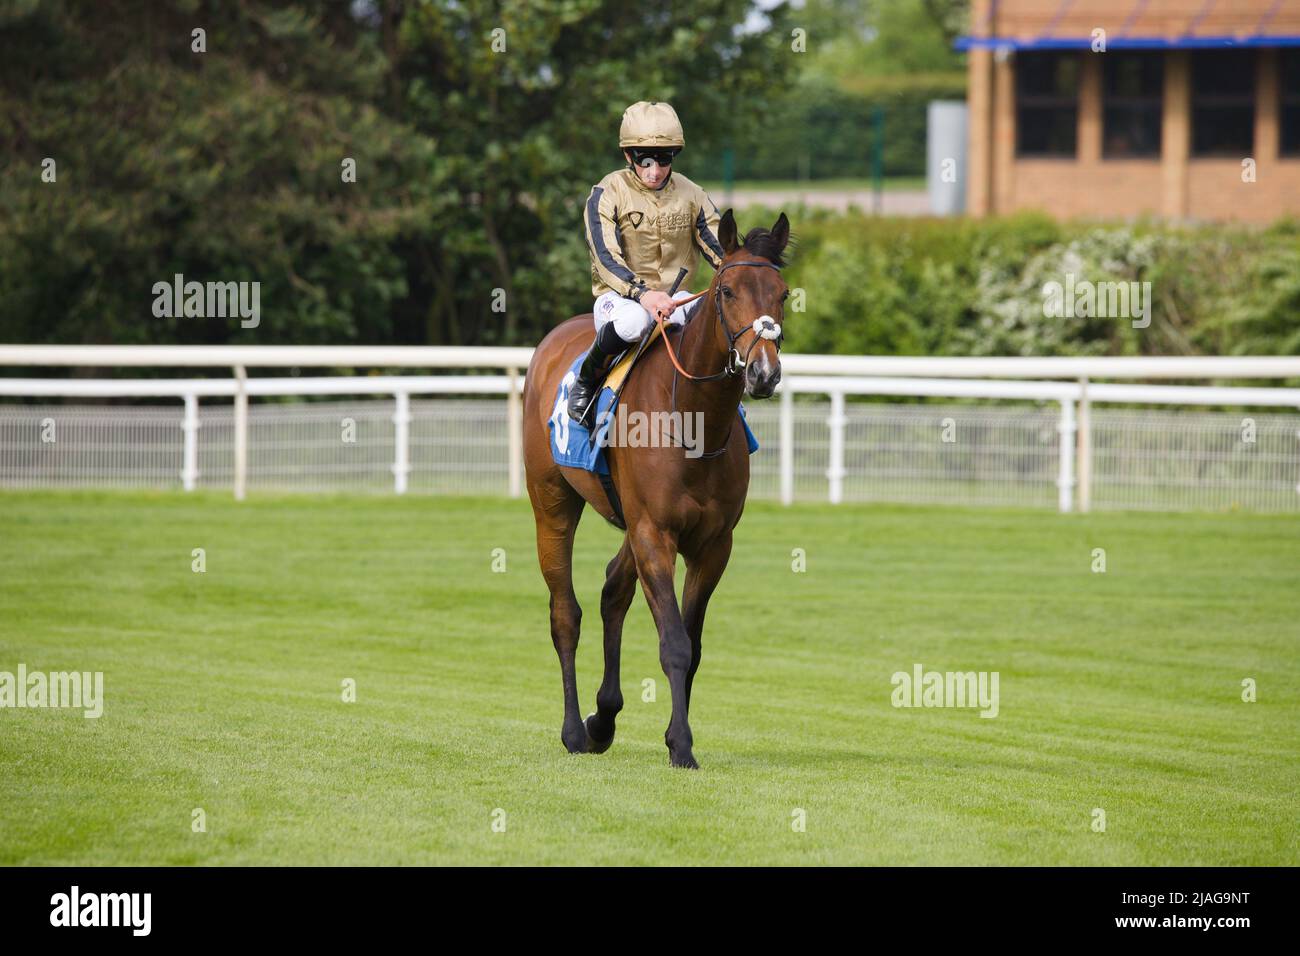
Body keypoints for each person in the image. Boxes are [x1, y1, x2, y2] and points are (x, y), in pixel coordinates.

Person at [568, 100, 725, 423]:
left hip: (677, 299)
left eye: (664, 160)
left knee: (718, 321)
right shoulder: (607, 192)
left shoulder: (692, 194)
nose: (655, 171)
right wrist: (644, 295)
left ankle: (727, 406)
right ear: (629, 156)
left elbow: (721, 248)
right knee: (635, 323)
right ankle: (586, 381)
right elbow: (605, 257)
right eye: (645, 161)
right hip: (620, 301)